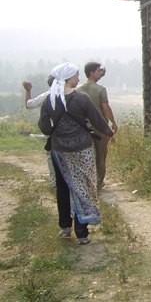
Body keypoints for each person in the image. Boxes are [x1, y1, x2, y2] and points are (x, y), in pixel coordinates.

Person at [38, 62, 114, 245]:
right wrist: (109, 132)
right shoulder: (81, 98)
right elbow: (97, 119)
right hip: (82, 149)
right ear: (68, 78)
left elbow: (44, 127)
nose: (78, 79)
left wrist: (58, 133)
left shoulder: (49, 100)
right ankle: (82, 233)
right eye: (76, 76)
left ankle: (65, 227)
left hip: (59, 151)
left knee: (63, 187)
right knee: (82, 186)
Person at [77, 62, 118, 189]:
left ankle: (86, 181)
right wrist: (113, 122)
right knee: (101, 155)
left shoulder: (77, 89)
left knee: (85, 155)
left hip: (83, 127)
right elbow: (105, 107)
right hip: (100, 127)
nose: (101, 73)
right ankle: (99, 182)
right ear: (91, 72)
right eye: (98, 71)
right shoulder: (100, 89)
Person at [23, 76, 57, 187]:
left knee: (51, 155)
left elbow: (29, 104)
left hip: (50, 130)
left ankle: (54, 181)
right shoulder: (68, 94)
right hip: (65, 130)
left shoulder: (46, 95)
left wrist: (28, 91)